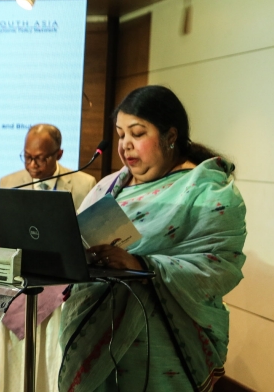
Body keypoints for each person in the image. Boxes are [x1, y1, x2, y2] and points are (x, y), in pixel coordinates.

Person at [59, 86, 246, 391]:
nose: (125, 146)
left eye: (137, 133)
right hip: (94, 333)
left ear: (170, 136)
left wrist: (140, 265)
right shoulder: (108, 186)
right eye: (120, 135)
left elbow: (220, 266)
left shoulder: (208, 192)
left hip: (163, 347)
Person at [0, 123, 96, 210]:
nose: (32, 165)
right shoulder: (8, 184)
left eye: (40, 158)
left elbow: (92, 228)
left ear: (59, 155)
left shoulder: (85, 186)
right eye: (27, 157)